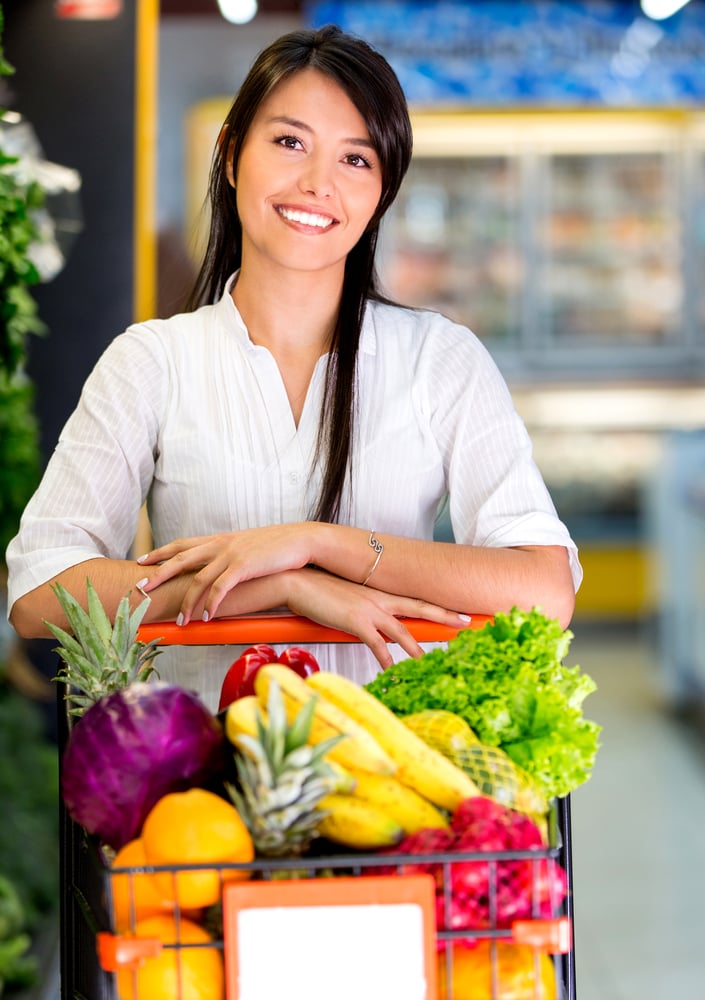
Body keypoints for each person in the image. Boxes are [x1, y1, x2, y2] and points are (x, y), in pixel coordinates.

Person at [6, 25, 581, 711]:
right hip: (199, 787)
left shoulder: (439, 359)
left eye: (356, 160)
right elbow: (40, 592)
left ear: (381, 193)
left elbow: (544, 589)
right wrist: (280, 585)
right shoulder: (151, 361)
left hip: (398, 779)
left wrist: (317, 545)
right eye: (288, 142)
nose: (317, 184)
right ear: (230, 155)